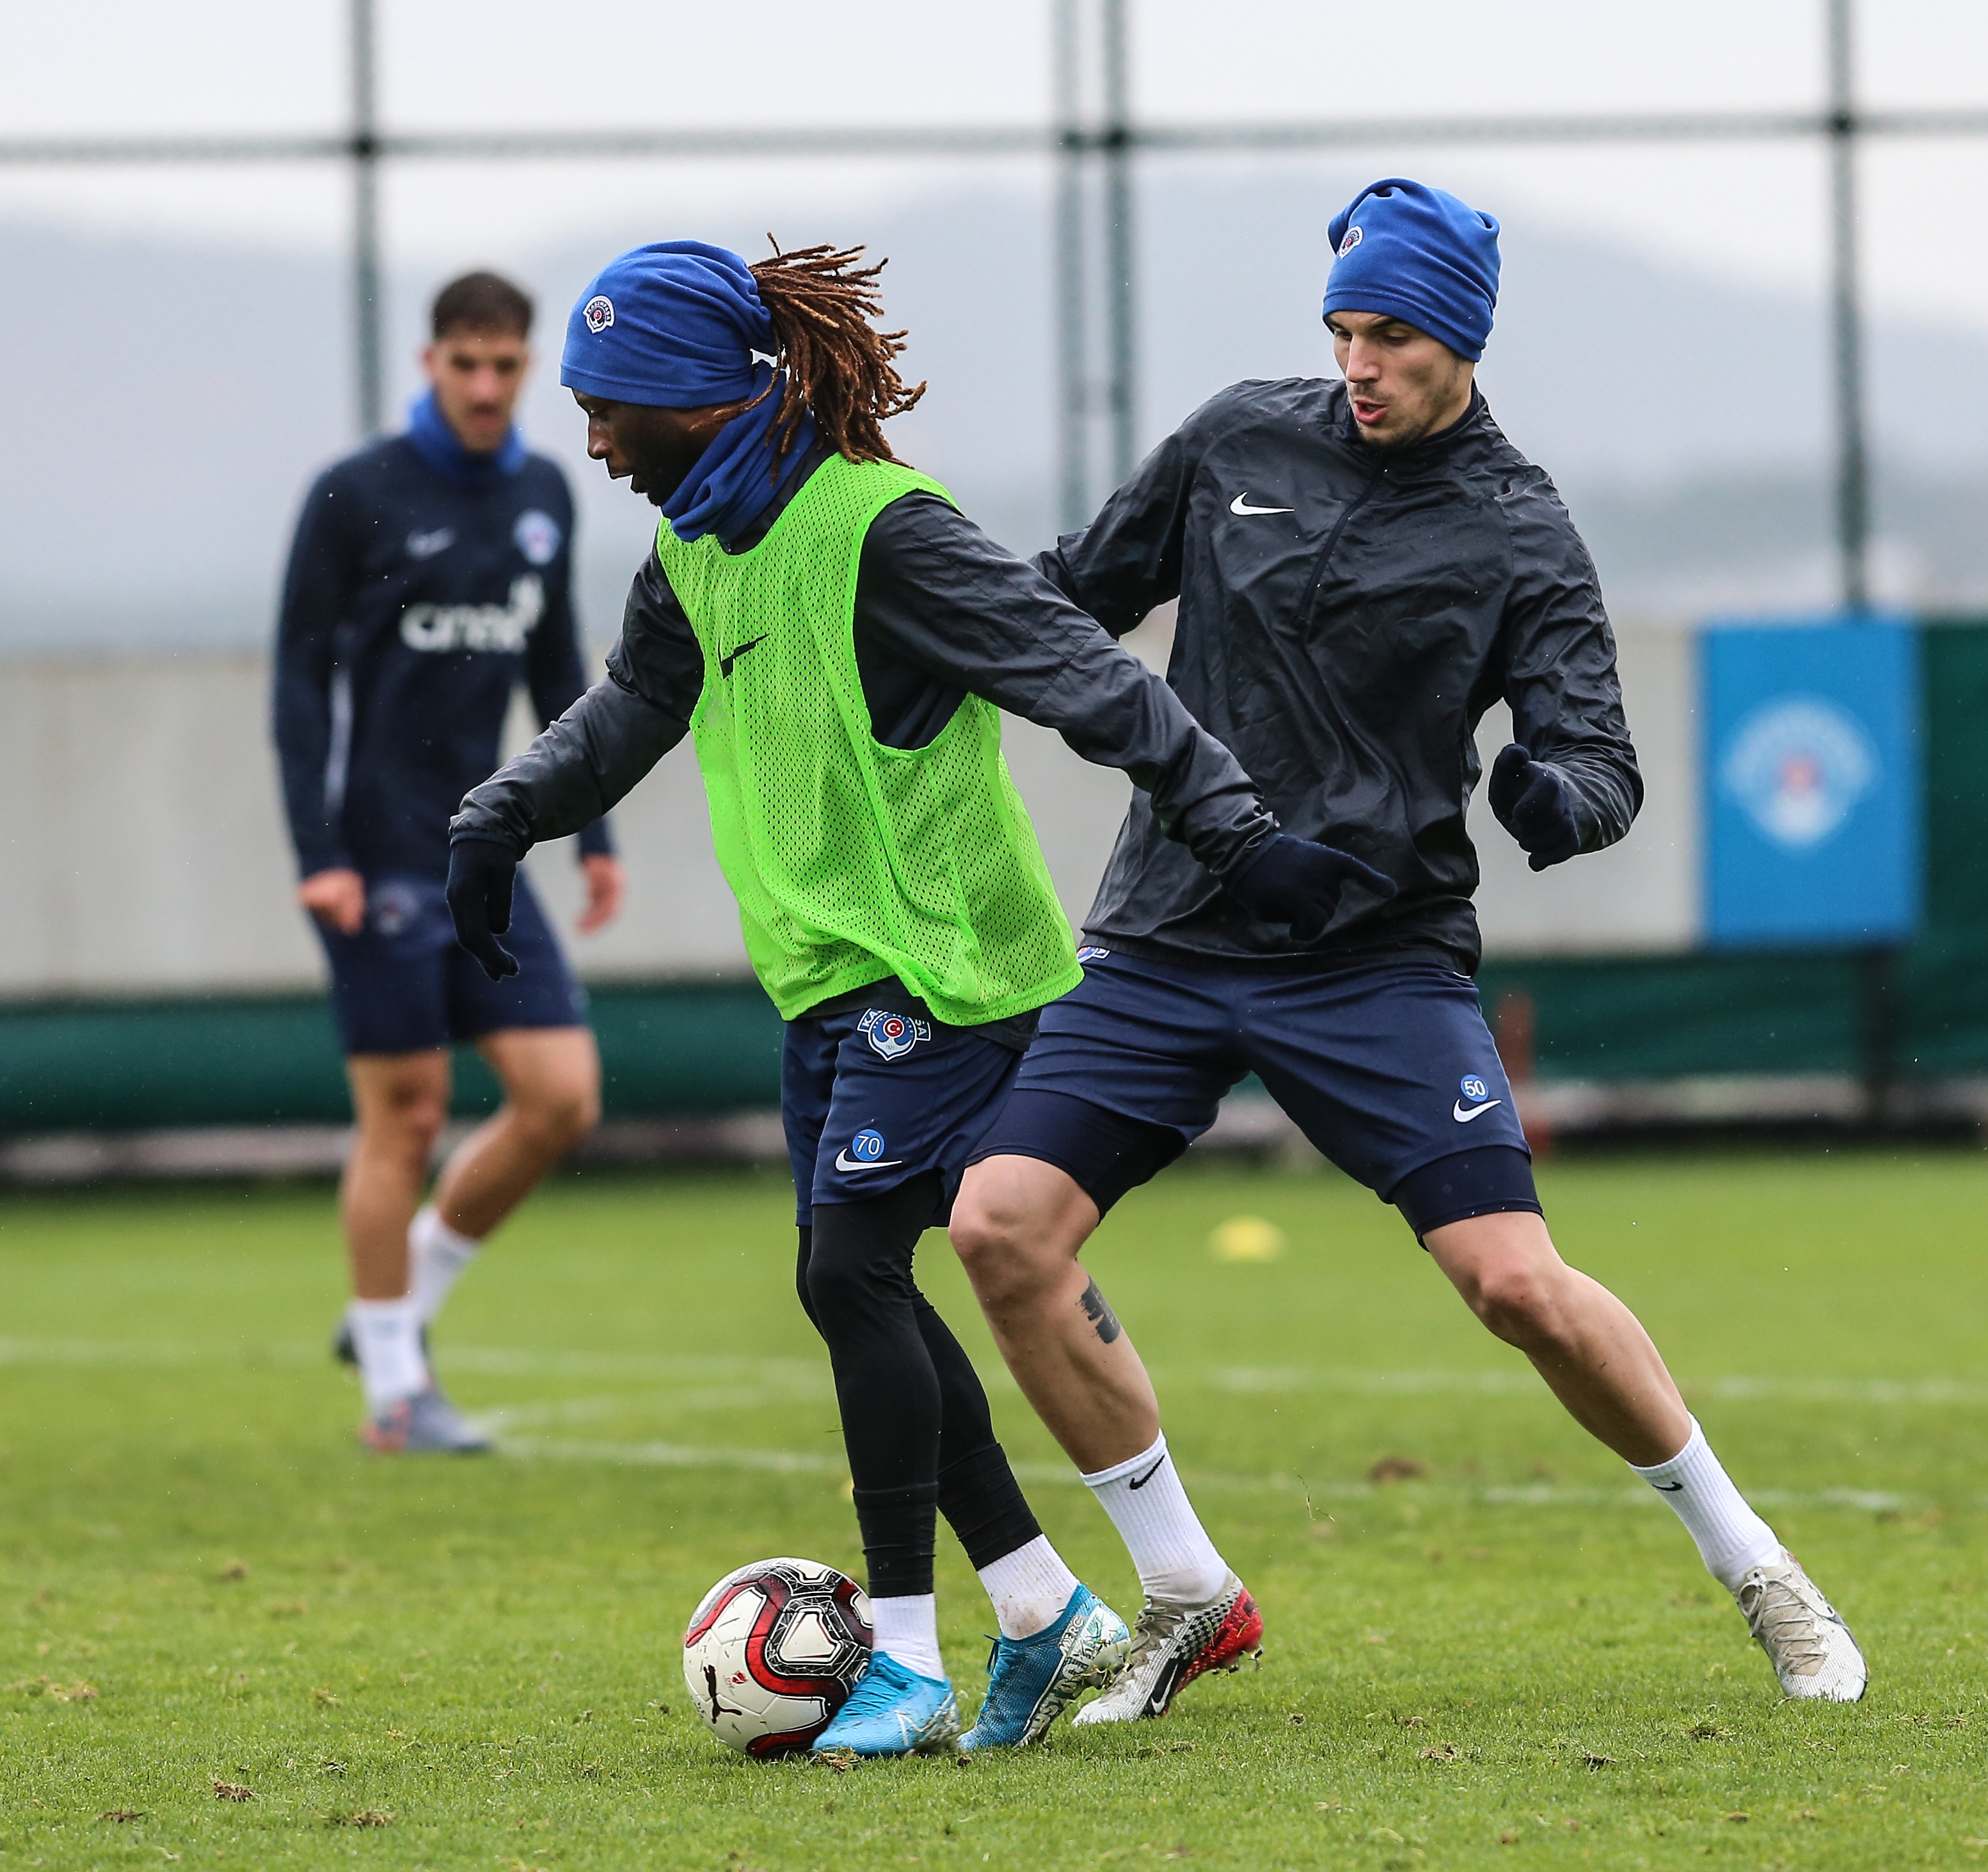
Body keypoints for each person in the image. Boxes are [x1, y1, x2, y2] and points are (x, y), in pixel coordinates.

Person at [446, 239, 1380, 1755]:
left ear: (696, 397)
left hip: (944, 970)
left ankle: (907, 1659)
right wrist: (505, 814)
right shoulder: (693, 548)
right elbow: (633, 707)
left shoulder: (883, 532)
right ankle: (1042, 1610)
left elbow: (1087, 675)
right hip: (829, 981)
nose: (597, 444)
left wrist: (1239, 835)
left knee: (850, 1273)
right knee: (853, 1283)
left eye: (612, 410)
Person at [949, 178, 1867, 1720]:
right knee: (999, 1227)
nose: (1357, 362)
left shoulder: (1521, 529)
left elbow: (1602, 765)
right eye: (1343, 330)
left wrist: (1553, 799)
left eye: (1390, 335)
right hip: (1167, 938)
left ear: (1462, 341)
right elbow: (1068, 598)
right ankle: (1187, 1589)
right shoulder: (1237, 440)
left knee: (1514, 1285)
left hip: (1372, 963)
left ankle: (1761, 1566)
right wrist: (912, 619)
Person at [274, 270, 626, 1455]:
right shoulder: (356, 492)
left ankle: (394, 1305)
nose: (484, 386)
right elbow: (298, 677)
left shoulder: (543, 493)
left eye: (505, 366)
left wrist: (596, 831)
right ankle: (395, 1394)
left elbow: (559, 666)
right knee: (408, 1114)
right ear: (430, 364)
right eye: (464, 364)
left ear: (528, 369)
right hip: (374, 855)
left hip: (486, 847)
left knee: (562, 1097)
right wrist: (317, 850)